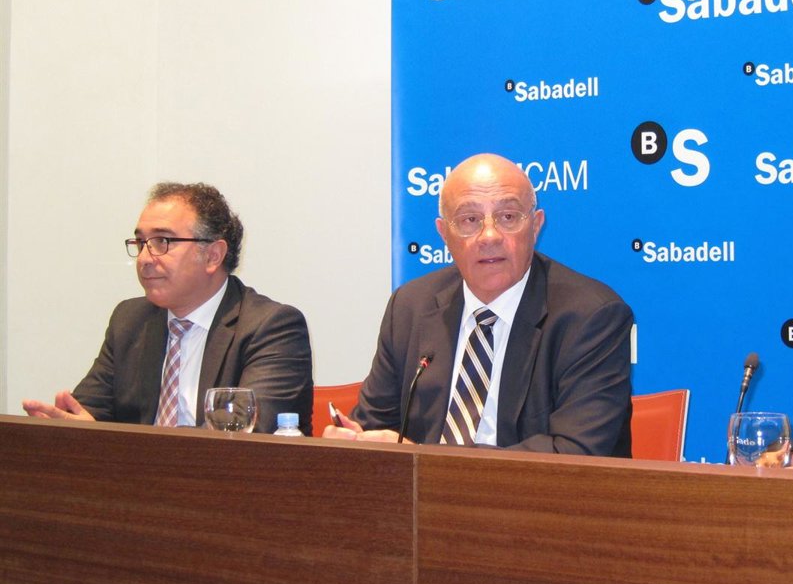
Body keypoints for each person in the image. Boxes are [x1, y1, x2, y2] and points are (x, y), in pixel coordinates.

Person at [327, 153, 633, 455]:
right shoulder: (411, 306)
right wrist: (351, 441)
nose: (489, 236)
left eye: (508, 217)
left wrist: (429, 461)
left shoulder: (590, 317)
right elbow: (374, 425)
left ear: (536, 225)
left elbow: (575, 453)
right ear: (444, 234)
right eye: (469, 220)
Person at [22, 182, 314, 434]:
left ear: (213, 255)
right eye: (141, 242)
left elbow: (241, 433)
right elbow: (90, 414)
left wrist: (124, 447)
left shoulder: (271, 327)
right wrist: (71, 428)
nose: (144, 259)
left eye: (162, 241)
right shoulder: (130, 320)